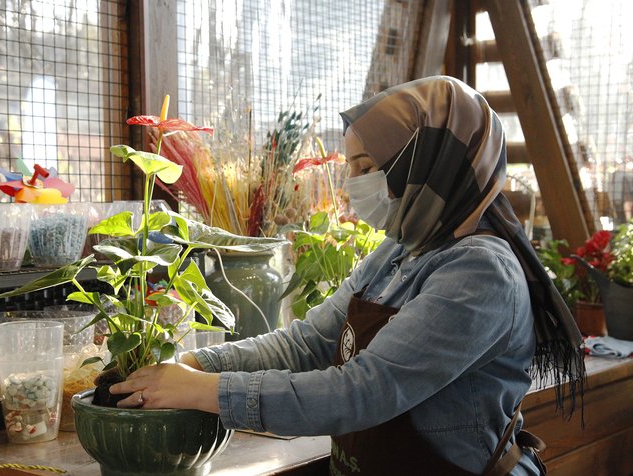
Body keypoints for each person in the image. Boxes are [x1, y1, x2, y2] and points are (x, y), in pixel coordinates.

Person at [110, 76, 585, 475]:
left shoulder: (481, 272)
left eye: (365, 167)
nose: (354, 185)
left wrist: (205, 392)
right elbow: (304, 343)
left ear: (423, 164)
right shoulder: (399, 251)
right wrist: (199, 366)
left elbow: (365, 389)